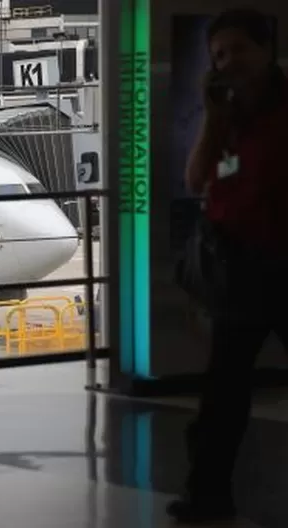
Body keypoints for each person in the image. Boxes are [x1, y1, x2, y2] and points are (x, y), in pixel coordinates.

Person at [168, 8, 288, 524]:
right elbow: (196, 179)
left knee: (224, 394)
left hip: (285, 266)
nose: (229, 61)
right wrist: (214, 118)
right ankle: (208, 496)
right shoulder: (227, 116)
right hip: (240, 272)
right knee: (222, 399)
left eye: (239, 49)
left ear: (267, 51)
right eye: (219, 54)